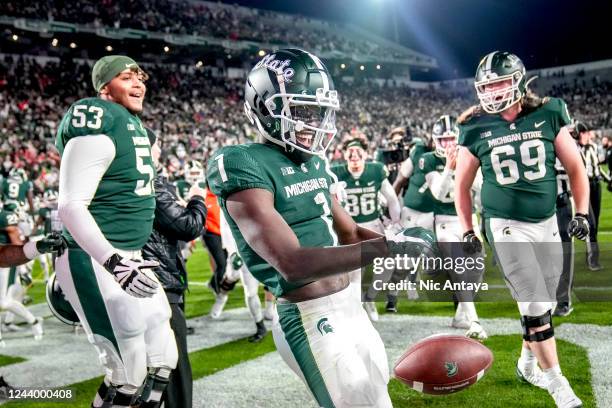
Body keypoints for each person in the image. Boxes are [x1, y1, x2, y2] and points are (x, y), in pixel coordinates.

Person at [207, 48, 436, 408]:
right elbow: (291, 262)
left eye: (317, 111)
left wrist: (398, 240)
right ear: (267, 109)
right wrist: (386, 249)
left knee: (379, 399)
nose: (313, 122)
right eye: (301, 111)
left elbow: (350, 233)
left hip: (349, 306)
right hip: (310, 315)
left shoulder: (312, 163)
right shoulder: (241, 162)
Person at [455, 51, 588, 408]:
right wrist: (468, 230)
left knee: (541, 301)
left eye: (499, 82)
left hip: (545, 221)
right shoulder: (474, 126)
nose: (493, 91)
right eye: (487, 85)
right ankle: (558, 384)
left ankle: (527, 363)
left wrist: (583, 212)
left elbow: (575, 167)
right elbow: (461, 186)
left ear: (517, 81)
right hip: (505, 224)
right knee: (532, 298)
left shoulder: (547, 112)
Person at [55, 55, 177, 407]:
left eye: (140, 76)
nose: (139, 83)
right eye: (126, 77)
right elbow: (70, 206)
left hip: (129, 254)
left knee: (162, 359)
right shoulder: (99, 121)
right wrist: (115, 262)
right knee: (127, 372)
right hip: (93, 257)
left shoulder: (130, 124)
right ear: (104, 87)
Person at [142, 129, 207, 408]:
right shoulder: (149, 183)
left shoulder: (124, 181)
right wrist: (197, 199)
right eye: (157, 147)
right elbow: (189, 226)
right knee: (174, 366)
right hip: (159, 284)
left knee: (141, 369)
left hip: (137, 280)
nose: (160, 152)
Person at [421, 114, 487, 340]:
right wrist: (449, 168)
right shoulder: (429, 160)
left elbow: (480, 187)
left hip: (468, 220)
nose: (448, 145)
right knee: (458, 268)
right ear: (435, 141)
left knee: (477, 269)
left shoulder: (469, 153)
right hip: (445, 222)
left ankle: (461, 314)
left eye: (451, 139)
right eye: (443, 140)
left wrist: (464, 167)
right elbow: (438, 194)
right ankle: (475, 321)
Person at [331, 136, 401, 321]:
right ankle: (359, 311)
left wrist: (395, 223)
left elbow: (392, 199)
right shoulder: (335, 173)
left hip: (373, 226)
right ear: (345, 156)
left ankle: (369, 297)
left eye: (357, 153)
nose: (354, 157)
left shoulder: (376, 170)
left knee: (386, 267)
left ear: (365, 155)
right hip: (349, 229)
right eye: (350, 154)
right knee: (355, 275)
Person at [576, 122, 606, 270]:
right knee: (591, 224)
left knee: (596, 223)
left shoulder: (593, 147)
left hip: (596, 186)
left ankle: (590, 254)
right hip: (585, 186)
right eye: (587, 133)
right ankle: (593, 260)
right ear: (582, 134)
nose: (590, 135)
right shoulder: (576, 149)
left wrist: (608, 180)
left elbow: (598, 168)